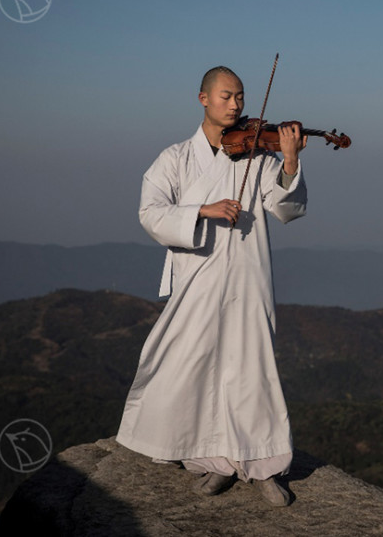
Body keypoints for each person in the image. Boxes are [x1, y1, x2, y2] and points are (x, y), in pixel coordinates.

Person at [116, 65, 307, 507]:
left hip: (248, 273)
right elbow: (150, 212)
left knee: (251, 365)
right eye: (226, 97)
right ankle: (211, 460)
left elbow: (286, 209)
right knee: (193, 361)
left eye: (240, 97)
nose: (236, 105)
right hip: (197, 275)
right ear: (203, 98)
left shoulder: (259, 155)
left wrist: (291, 158)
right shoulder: (175, 158)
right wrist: (202, 210)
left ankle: (263, 465)